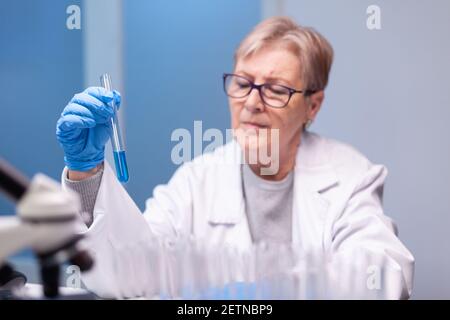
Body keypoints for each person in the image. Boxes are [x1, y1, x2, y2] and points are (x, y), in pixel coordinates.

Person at [56, 17, 414, 299]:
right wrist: (87, 173)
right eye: (242, 84)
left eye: (275, 89)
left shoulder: (351, 176)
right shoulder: (197, 180)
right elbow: (130, 271)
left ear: (312, 106)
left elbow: (381, 278)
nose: (252, 102)